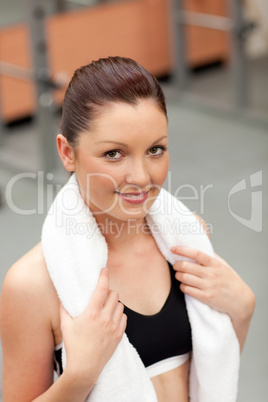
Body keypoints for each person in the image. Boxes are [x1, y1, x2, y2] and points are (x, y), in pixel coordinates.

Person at [0, 57, 255, 402]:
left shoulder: (185, 240)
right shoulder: (31, 285)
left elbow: (214, 368)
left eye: (155, 150)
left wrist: (242, 310)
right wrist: (80, 375)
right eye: (114, 154)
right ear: (67, 153)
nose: (140, 177)